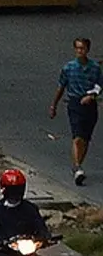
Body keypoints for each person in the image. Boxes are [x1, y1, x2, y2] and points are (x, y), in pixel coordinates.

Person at [49, 37, 101, 185]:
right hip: (75, 104)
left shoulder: (95, 68)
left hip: (90, 106)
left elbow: (99, 85)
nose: (80, 51)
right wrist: (54, 105)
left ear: (87, 50)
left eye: (82, 48)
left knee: (85, 138)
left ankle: (77, 165)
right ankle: (78, 167)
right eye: (77, 48)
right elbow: (61, 87)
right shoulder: (68, 68)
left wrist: (91, 95)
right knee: (77, 137)